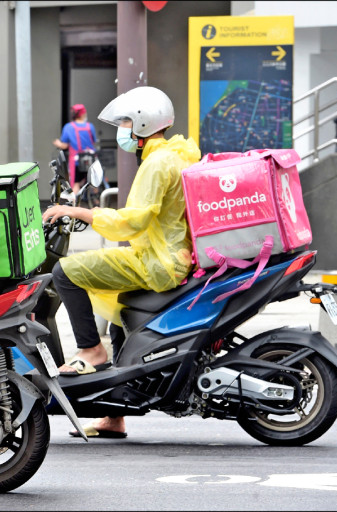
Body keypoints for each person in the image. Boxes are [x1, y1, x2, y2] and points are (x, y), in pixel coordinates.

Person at [42, 86, 201, 438]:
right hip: (169, 257)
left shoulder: (157, 163)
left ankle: (90, 350)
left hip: (157, 262)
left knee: (65, 272)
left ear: (145, 123)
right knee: (118, 314)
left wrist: (77, 210)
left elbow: (132, 221)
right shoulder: (176, 153)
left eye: (127, 121)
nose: (123, 129)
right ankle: (114, 416)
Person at [53, 103, 98, 199]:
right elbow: (93, 141)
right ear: (83, 114)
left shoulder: (68, 127)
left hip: (77, 161)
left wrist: (58, 143)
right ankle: (97, 200)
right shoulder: (90, 126)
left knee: (76, 183)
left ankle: (75, 205)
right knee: (95, 181)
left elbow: (64, 145)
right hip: (91, 159)